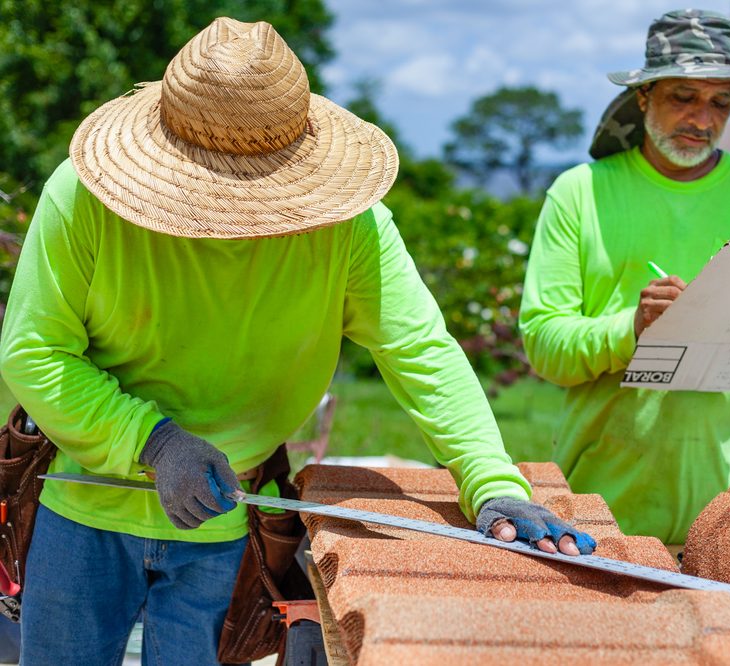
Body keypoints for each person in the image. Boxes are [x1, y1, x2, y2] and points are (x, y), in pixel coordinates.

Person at [0, 17, 595, 665]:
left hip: (229, 522)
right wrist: (154, 441)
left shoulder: (350, 227)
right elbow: (36, 353)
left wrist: (490, 480)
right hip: (83, 505)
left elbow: (418, 349)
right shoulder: (84, 199)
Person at [519, 9, 730, 546]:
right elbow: (544, 346)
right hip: (599, 509)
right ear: (643, 96)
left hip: (728, 508)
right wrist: (632, 328)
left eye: (721, 101)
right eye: (683, 96)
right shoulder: (580, 193)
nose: (703, 118)